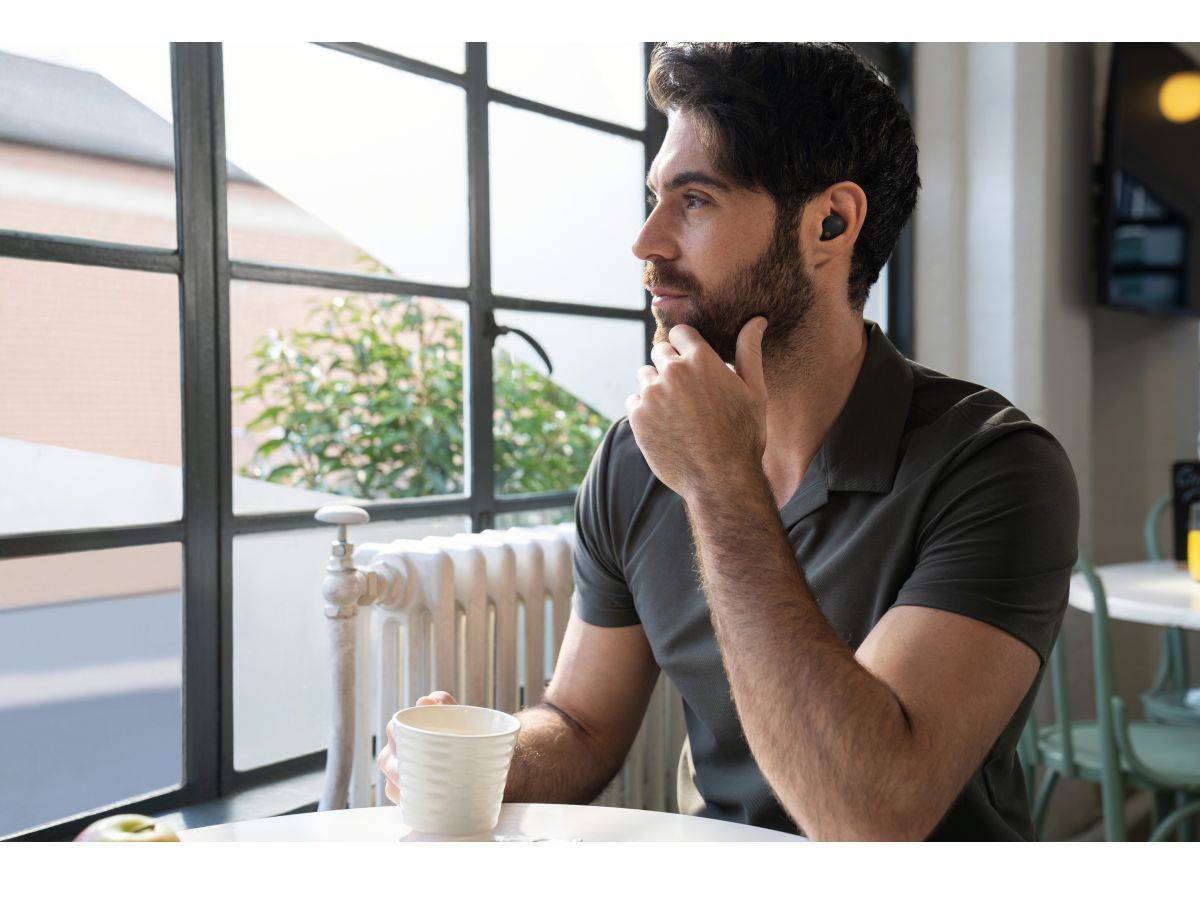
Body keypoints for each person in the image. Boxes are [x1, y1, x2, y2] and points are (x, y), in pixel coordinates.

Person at [378, 42, 1079, 841]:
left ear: (830, 223)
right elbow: (580, 722)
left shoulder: (996, 469)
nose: (647, 243)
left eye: (696, 200)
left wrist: (719, 483)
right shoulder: (637, 458)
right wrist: (481, 755)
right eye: (654, 199)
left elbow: (870, 819)